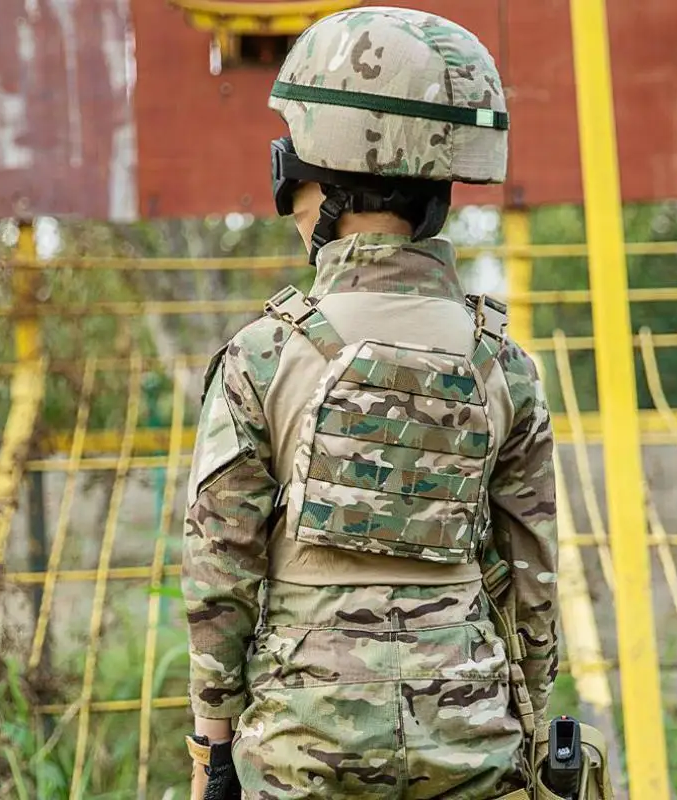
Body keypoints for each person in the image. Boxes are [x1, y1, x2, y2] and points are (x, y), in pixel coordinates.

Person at [182, 7, 558, 799]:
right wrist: (523, 732)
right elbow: (531, 580)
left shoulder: (263, 355)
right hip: (469, 738)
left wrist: (214, 759)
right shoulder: (506, 365)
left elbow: (220, 576)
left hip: (302, 746)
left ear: (316, 178)